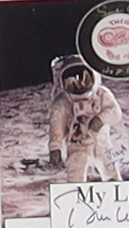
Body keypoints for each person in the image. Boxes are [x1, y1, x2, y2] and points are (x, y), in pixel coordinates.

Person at [47, 54, 123, 183]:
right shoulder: (63, 102)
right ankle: (75, 190)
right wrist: (55, 147)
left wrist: (100, 119)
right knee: (75, 175)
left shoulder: (101, 94)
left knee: (110, 171)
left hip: (101, 142)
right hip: (76, 145)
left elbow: (115, 113)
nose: (79, 86)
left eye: (84, 79)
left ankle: (115, 187)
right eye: (72, 82)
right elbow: (56, 126)